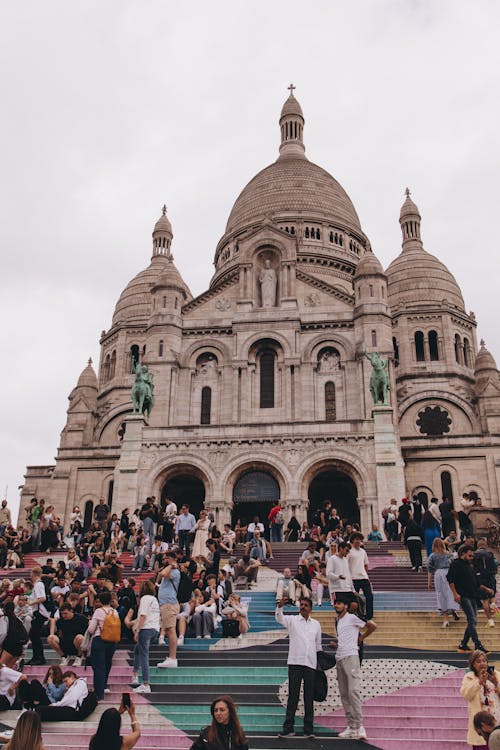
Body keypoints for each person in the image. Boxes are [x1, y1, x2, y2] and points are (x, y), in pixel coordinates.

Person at [332, 592, 377, 741]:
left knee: (353, 691)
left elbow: (372, 626)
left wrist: (361, 638)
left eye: (339, 603)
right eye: (335, 603)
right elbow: (344, 637)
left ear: (345, 606)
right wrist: (337, 644)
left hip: (351, 657)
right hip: (339, 657)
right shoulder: (337, 621)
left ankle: (360, 726)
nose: (336, 605)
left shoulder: (352, 617)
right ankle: (351, 727)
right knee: (344, 694)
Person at [275, 596, 322, 739]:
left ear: (310, 608)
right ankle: (288, 728)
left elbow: (318, 646)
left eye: (306, 605)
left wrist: (319, 665)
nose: (302, 607)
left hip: (310, 664)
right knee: (293, 696)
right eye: (301, 605)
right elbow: (279, 618)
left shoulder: (316, 624)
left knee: (309, 697)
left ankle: (308, 729)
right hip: (295, 662)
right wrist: (280, 607)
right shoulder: (292, 620)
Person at [447, 545, 489, 653]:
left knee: (472, 621)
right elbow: (450, 579)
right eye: (470, 555)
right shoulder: (455, 564)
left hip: (473, 596)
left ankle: (463, 644)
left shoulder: (470, 566)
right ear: (463, 553)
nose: (471, 558)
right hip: (463, 596)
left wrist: (487, 589)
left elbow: (476, 582)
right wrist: (455, 594)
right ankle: (477, 644)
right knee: (472, 620)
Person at [461, 650, 500, 748]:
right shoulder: (469, 677)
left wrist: (496, 683)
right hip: (482, 726)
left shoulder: (497, 675)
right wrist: (479, 682)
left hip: (497, 723)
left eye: (484, 661)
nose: (482, 663)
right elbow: (466, 695)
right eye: (478, 661)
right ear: (473, 665)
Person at [88, 590, 119, 700]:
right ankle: (104, 685)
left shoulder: (98, 611)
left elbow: (91, 630)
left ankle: (99, 693)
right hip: (112, 642)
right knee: (107, 664)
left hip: (99, 640)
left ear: (100, 601)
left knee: (98, 667)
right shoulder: (115, 612)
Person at [131, 580, 160, 693]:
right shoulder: (154, 599)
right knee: (137, 650)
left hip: (146, 629)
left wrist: (137, 631)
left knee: (144, 655)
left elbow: (143, 616)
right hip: (154, 629)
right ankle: (135, 674)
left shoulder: (144, 599)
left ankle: (146, 684)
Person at [427, 538, 460, 628]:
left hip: (439, 574)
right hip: (449, 573)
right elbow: (455, 563)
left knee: (441, 595)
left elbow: (430, 569)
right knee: (451, 593)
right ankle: (453, 609)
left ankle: (445, 620)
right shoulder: (448, 554)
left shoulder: (432, 556)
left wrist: (429, 582)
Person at [157, 551, 180, 668]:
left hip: (169, 603)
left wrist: (171, 565)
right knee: (169, 629)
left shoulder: (175, 571)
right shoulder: (171, 569)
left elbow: (163, 573)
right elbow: (159, 575)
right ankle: (171, 657)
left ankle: (173, 658)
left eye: (166, 558)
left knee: (171, 630)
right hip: (165, 604)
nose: (164, 560)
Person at [26, 565, 50, 665]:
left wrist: (31, 602)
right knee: (33, 634)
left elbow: (42, 598)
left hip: (41, 612)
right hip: (39, 612)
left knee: (34, 634)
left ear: (34, 574)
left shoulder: (38, 584)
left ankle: (39, 657)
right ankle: (36, 656)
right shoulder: (37, 584)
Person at [348, 533, 374, 620]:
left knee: (369, 596)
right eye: (356, 539)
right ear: (352, 541)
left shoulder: (363, 552)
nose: (358, 541)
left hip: (364, 578)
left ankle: (369, 616)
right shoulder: (349, 552)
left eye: (359, 539)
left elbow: (366, 565)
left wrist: (365, 574)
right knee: (354, 598)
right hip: (354, 578)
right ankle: (355, 615)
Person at [474, 539, 498, 628]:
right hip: (491, 578)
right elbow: (495, 565)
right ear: (485, 545)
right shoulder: (490, 555)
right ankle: (493, 605)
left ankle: (490, 620)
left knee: (485, 600)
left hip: (481, 579)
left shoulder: (475, 555)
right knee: (492, 596)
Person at [0, 600, 27, 668]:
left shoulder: (5, 618)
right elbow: (24, 633)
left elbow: (3, 633)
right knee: (8, 670)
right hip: (19, 649)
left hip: (9, 647)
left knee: (1, 668)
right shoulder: (18, 619)